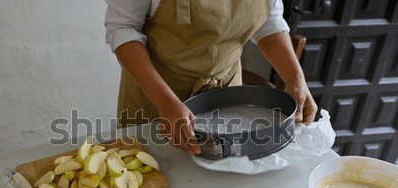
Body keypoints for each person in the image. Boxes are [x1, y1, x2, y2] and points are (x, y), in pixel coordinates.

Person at [105, 0, 318, 155]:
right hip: (157, 97)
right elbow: (123, 28)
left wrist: (295, 78)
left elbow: (268, 19)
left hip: (228, 93)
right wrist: (165, 102)